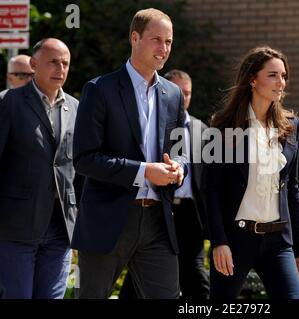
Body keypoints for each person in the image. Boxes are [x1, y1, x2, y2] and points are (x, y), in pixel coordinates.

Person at [71, 8, 188, 299]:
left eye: (169, 42)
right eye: (156, 40)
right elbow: (85, 158)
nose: (164, 49)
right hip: (108, 220)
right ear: (134, 38)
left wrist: (180, 167)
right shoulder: (99, 89)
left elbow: (180, 150)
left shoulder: (173, 94)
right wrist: (144, 171)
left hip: (158, 220)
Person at [206, 46, 299, 299]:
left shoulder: (291, 126)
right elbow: (211, 190)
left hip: (278, 242)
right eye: (273, 75)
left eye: (284, 76)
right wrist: (219, 242)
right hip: (236, 240)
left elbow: (292, 187)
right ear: (253, 79)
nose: (281, 82)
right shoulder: (224, 127)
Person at [120, 70, 210, 299]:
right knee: (141, 273)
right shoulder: (153, 125)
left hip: (191, 214)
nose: (183, 98)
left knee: (195, 275)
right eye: (179, 92)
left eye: (187, 93)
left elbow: (209, 179)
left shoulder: (203, 130)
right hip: (160, 207)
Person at [0, 38, 79, 299]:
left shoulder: (76, 108)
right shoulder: (10, 103)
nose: (60, 69)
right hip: (16, 228)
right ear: (34, 64)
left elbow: (78, 167)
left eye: (65, 63)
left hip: (60, 228)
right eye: (53, 62)